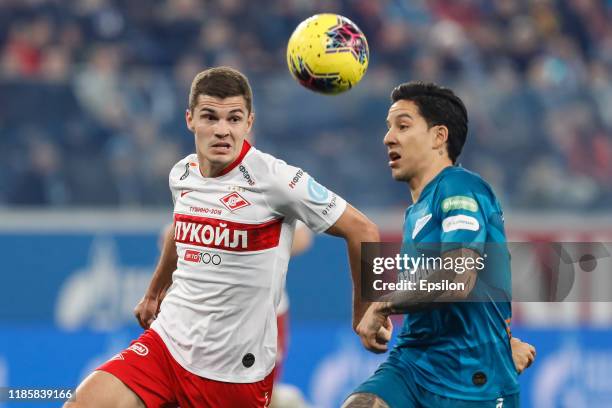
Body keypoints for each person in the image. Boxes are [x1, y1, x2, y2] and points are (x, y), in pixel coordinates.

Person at [65, 66, 379, 408]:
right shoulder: (182, 173)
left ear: (249, 123)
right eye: (210, 117)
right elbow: (178, 231)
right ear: (190, 120)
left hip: (233, 372)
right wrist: (155, 292)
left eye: (233, 119)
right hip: (167, 343)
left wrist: (368, 308)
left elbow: (363, 230)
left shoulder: (277, 180)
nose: (222, 130)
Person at [343, 82, 535, 408]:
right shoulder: (417, 211)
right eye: (389, 127)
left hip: (472, 376)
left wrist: (383, 304)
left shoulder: (460, 188)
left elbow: (459, 277)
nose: (388, 137)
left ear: (439, 137)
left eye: (403, 126)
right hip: (415, 361)